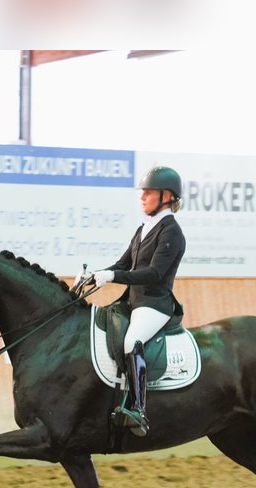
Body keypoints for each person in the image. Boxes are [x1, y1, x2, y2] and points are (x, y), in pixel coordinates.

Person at [90, 165, 186, 436]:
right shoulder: (143, 228)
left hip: (155, 303)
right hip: (133, 302)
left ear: (166, 196)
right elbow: (123, 264)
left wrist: (112, 276)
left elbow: (154, 273)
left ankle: (139, 409)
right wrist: (95, 275)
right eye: (142, 192)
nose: (142, 197)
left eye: (148, 192)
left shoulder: (171, 232)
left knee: (133, 341)